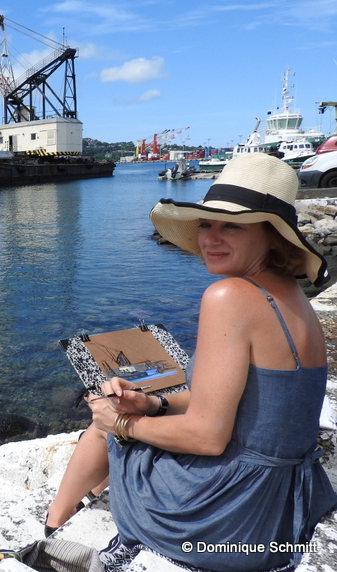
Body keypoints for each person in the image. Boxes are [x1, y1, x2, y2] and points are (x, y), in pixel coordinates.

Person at [46, 153, 336, 571]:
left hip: (226, 520)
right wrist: (155, 404)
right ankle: (69, 513)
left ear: (273, 236)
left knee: (103, 425)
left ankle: (54, 524)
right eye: (206, 224)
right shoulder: (291, 296)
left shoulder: (229, 297)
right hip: (282, 503)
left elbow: (207, 438)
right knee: (131, 419)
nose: (210, 239)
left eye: (231, 226)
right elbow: (255, 398)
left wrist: (123, 424)